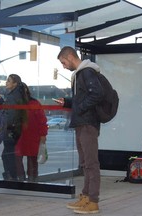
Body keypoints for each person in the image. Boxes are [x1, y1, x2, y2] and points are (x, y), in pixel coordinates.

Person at [56, 46, 105, 214]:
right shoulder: (80, 74)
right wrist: (69, 103)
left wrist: (80, 108)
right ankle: (85, 196)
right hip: (82, 123)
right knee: (85, 163)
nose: (63, 66)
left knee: (91, 163)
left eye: (63, 62)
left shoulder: (86, 72)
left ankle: (93, 201)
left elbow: (97, 94)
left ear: (70, 56)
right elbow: (85, 97)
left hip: (87, 124)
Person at [0, 74, 27, 181]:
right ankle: (13, 176)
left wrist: (5, 125)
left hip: (11, 130)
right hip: (16, 129)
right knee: (8, 155)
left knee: (8, 155)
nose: (6, 83)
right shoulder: (17, 95)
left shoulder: (12, 96)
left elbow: (11, 113)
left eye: (9, 81)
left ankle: (12, 178)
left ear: (15, 84)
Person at [15, 83, 48, 182]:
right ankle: (23, 179)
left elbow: (42, 120)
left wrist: (43, 134)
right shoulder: (20, 103)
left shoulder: (33, 103)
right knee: (20, 158)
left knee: (31, 158)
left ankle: (31, 179)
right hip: (22, 135)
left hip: (31, 135)